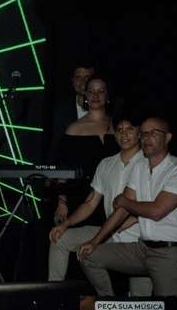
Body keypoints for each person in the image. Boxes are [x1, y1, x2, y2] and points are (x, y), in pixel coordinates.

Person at [76, 113, 177, 300]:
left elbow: (156, 211)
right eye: (144, 134)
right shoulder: (140, 167)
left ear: (168, 137)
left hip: (171, 253)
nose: (147, 138)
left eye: (154, 133)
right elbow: (121, 211)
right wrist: (95, 241)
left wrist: (124, 201)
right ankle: (110, 305)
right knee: (89, 254)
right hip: (142, 249)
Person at [48, 110, 151, 293]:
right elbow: (90, 203)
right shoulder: (106, 164)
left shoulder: (150, 162)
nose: (123, 134)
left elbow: (156, 205)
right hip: (109, 232)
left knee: (139, 302)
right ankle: (57, 297)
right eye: (118, 129)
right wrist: (66, 224)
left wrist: (134, 219)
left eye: (129, 129)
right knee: (59, 237)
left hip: (139, 239)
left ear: (139, 133)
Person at [49, 76, 119, 258]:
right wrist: (62, 203)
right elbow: (62, 169)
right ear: (85, 96)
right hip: (80, 198)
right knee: (77, 252)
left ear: (108, 96)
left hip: (113, 197)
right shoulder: (73, 129)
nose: (95, 95)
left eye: (100, 91)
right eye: (91, 91)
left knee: (106, 252)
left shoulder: (119, 128)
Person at [49, 61, 95, 154]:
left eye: (87, 77)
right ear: (73, 81)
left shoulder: (108, 107)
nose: (83, 82)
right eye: (78, 78)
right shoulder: (62, 110)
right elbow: (56, 145)